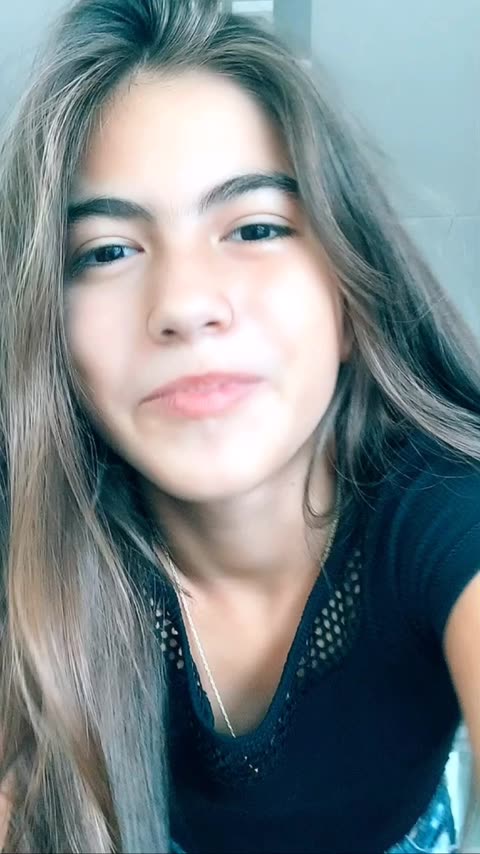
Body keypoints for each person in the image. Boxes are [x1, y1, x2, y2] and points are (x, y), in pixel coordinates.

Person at [0, 0, 479, 851]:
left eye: (256, 227)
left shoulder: (444, 508)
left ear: (351, 295)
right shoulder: (30, 521)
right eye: (107, 251)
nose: (185, 304)